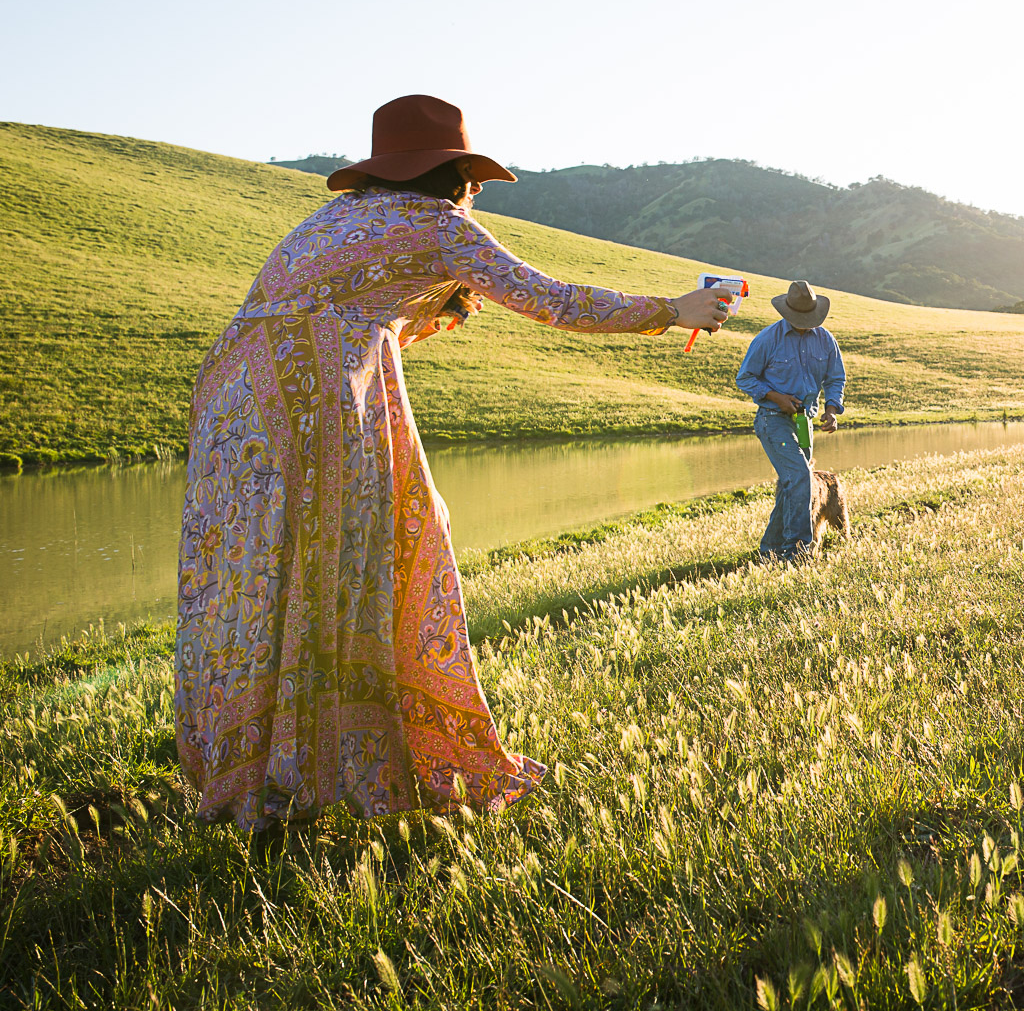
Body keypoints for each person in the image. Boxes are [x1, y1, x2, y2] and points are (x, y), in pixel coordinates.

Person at [175, 94, 731, 834]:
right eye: (469, 176)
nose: (473, 192)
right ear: (452, 175)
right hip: (316, 401)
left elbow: (346, 315)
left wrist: (441, 306)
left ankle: (248, 764)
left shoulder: (327, 222)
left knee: (263, 576)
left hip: (231, 400)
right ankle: (333, 770)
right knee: (360, 564)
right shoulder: (441, 227)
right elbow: (553, 301)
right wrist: (674, 308)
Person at [735, 280, 847, 560]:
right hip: (773, 419)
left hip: (804, 422)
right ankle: (797, 552)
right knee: (800, 478)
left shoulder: (825, 339)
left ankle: (769, 550)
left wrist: (832, 411)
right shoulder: (767, 339)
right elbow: (745, 378)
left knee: (792, 485)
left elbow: (836, 378)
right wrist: (776, 397)